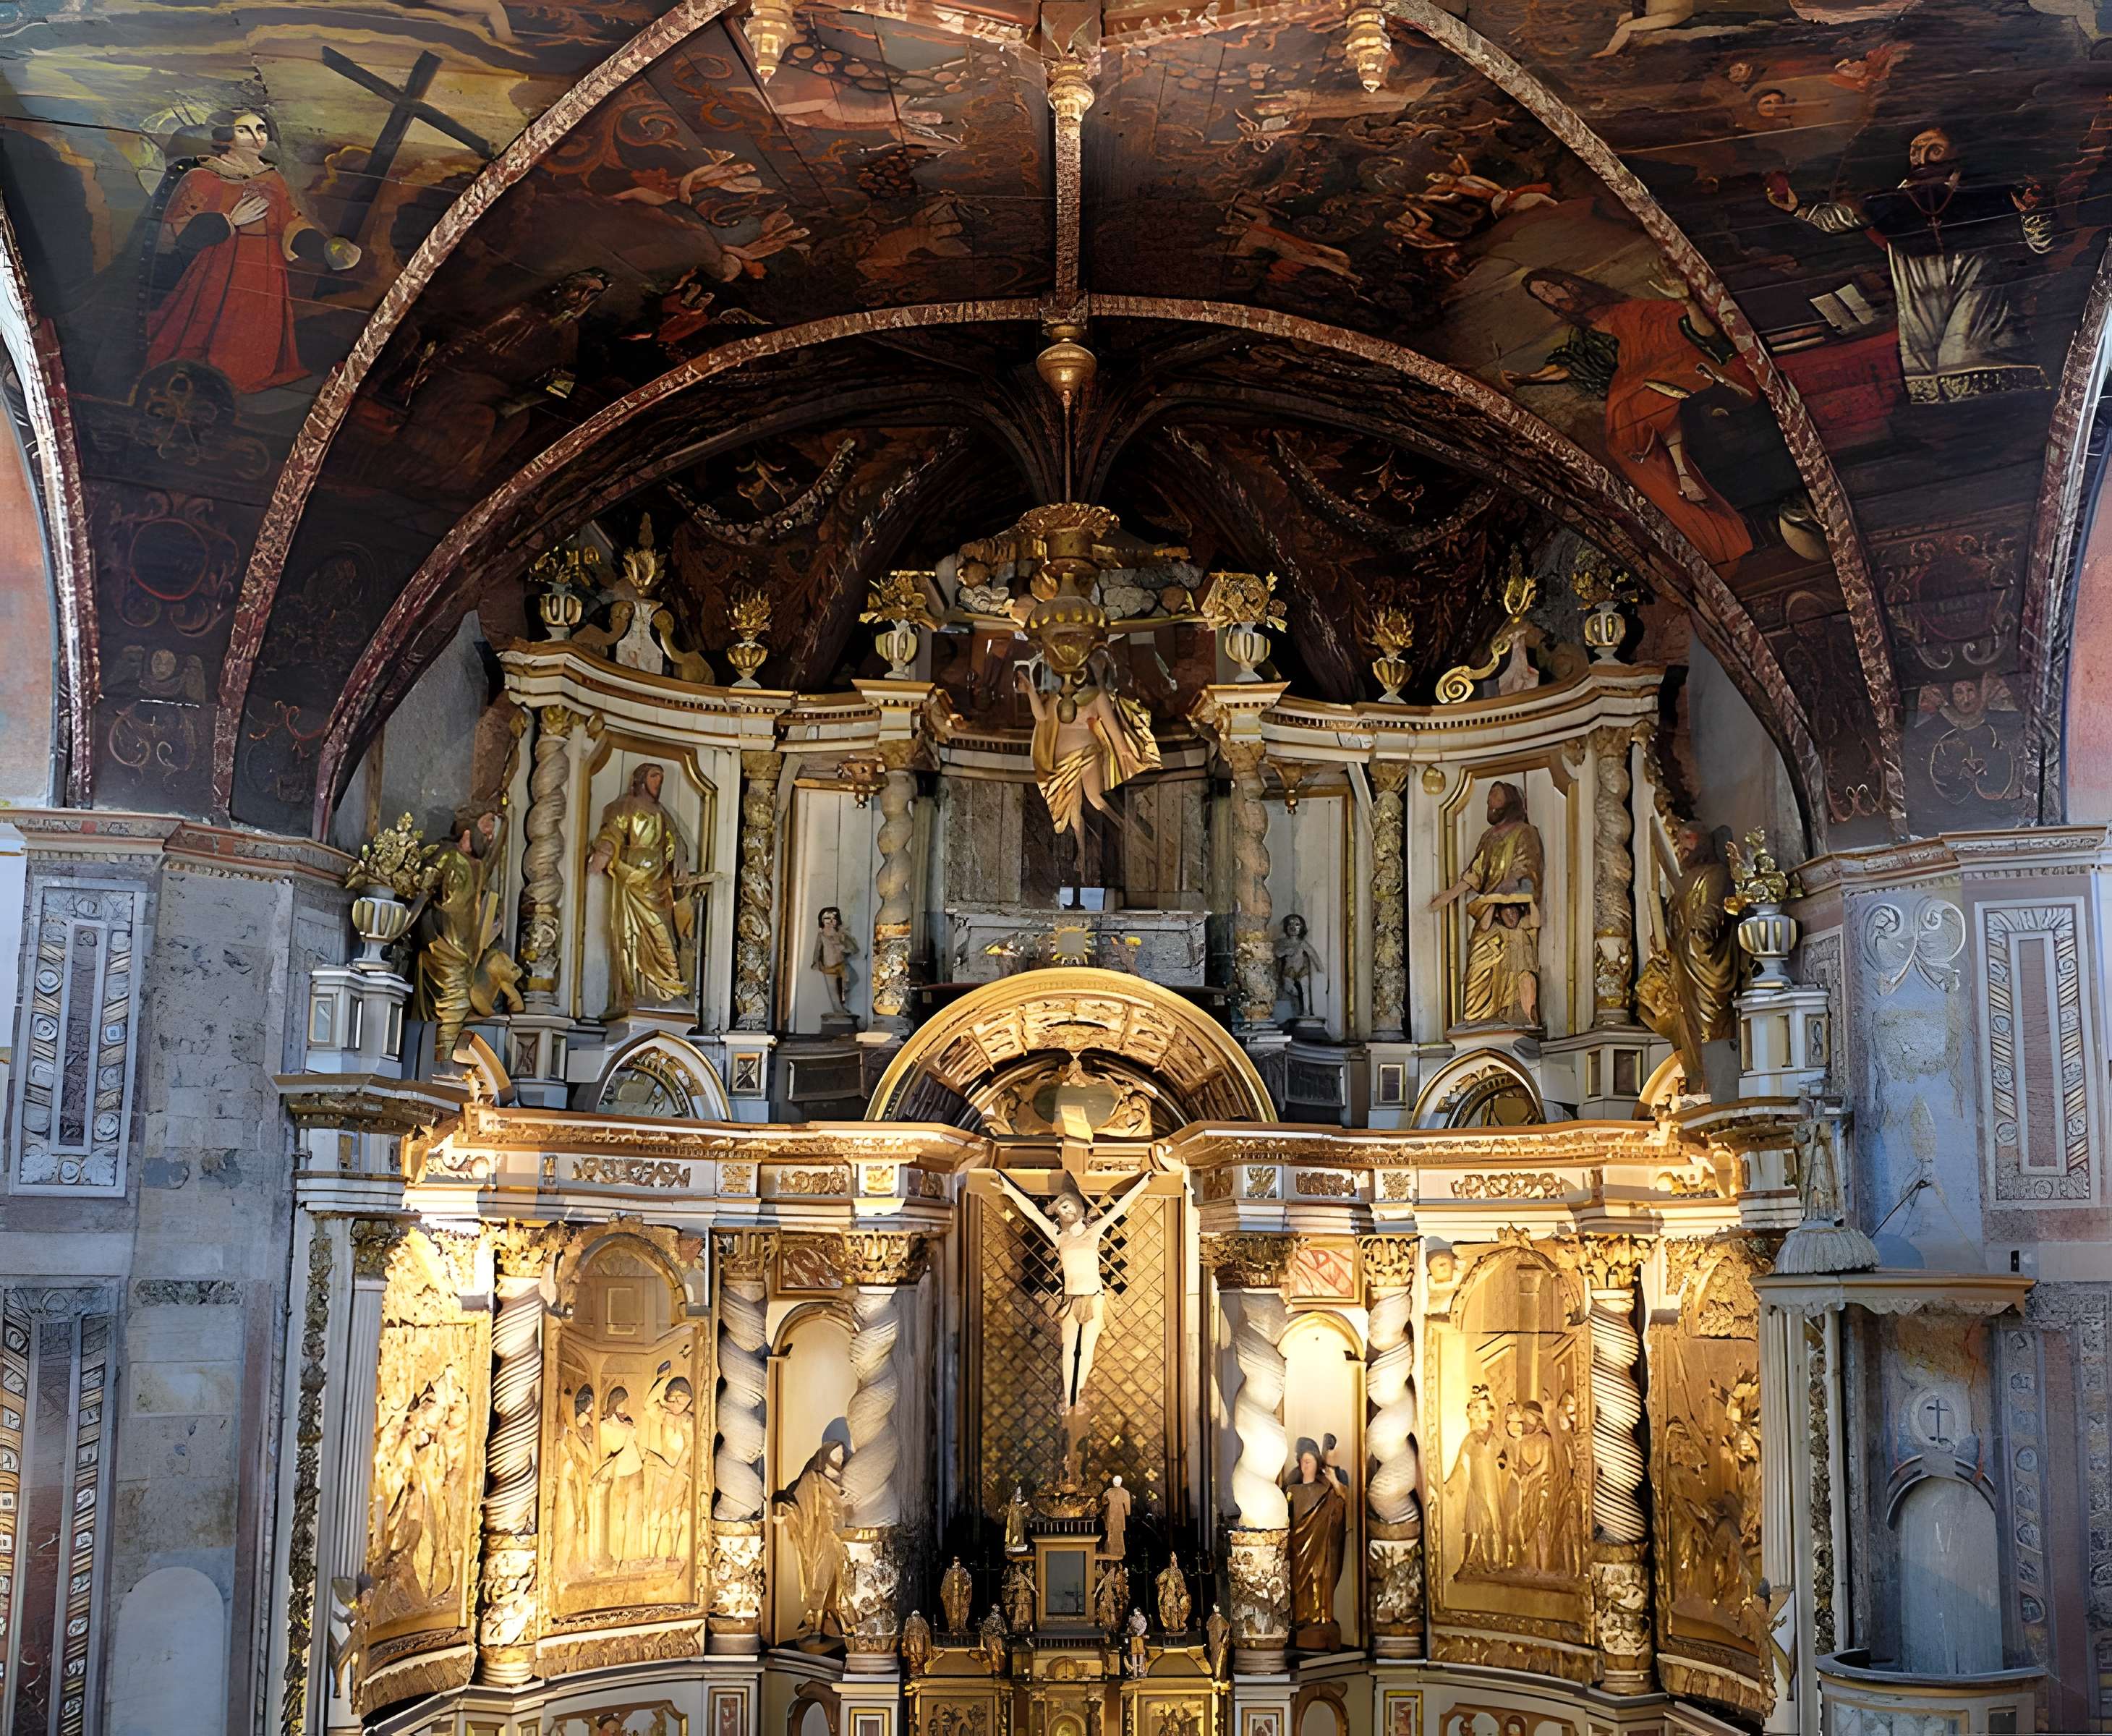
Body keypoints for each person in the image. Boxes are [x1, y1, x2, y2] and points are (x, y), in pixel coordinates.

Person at [1768, 128, 2053, 407]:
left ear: (1958, 152)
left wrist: (2033, 210)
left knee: (1992, 395)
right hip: (1922, 326)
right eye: (1916, 151)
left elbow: (2043, 244)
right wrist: (1796, 208)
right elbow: (1838, 219)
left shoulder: (1989, 192)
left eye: (1935, 149)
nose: (1923, 158)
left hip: (1982, 321)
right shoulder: (1890, 203)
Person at [1504, 270, 1762, 566]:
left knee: (1645, 397)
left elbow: (1688, 329)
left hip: (1670, 365)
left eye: (1550, 287)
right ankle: (1696, 514)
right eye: (1543, 296)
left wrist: (1688, 304)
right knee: (1623, 434)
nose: (1552, 296)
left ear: (1570, 284)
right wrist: (1529, 379)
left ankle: (1681, 469)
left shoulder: (1633, 309)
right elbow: (1571, 363)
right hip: (1636, 381)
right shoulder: (1584, 335)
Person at [144, 108, 359, 393]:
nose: (256, 137)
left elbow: (291, 223)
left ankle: (248, 379)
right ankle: (206, 380)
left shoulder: (273, 179)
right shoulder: (203, 177)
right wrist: (230, 221)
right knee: (210, 327)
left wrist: (325, 249)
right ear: (226, 136)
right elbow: (174, 233)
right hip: (220, 265)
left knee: (255, 327)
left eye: (261, 130)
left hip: (266, 266)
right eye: (245, 130)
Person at [992, 1167, 1152, 1411]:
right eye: (1061, 1208)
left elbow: (1119, 1209)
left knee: (1086, 1350)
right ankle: (1069, 1398)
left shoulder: (1093, 1232)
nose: (1065, 1211)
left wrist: (1144, 1183)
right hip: (1071, 1299)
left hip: (1094, 1299)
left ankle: (1077, 1397)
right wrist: (1006, 1186)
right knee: (1070, 1350)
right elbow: (1032, 1212)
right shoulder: (1060, 1237)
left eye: (1068, 1206)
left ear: (1079, 1208)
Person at [1429, 782, 1544, 1027]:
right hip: (1489, 914)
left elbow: (1528, 868)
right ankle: (1476, 1022)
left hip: (1512, 914)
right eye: (1489, 798)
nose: (1490, 802)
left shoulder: (1525, 832)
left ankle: (1513, 1019)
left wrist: (1510, 886)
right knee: (1476, 970)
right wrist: (1448, 896)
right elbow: (1475, 874)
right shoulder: (1488, 837)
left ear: (1510, 801)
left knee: (1515, 971)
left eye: (1496, 796)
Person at [588, 762, 695, 1017]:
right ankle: (637, 993)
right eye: (654, 776)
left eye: (661, 777)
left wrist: (679, 861)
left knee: (665, 938)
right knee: (634, 940)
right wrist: (603, 854)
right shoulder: (625, 805)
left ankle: (666, 991)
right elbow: (612, 834)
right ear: (641, 779)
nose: (658, 781)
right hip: (633, 883)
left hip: (659, 885)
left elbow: (675, 840)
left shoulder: (661, 812)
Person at [1017, 658, 1162, 844]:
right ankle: (1080, 853)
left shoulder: (1096, 695)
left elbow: (1111, 725)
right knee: (1071, 816)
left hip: (1087, 754)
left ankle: (1129, 828)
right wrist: (1030, 690)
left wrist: (1124, 749)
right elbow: (1042, 718)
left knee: (1095, 798)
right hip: (1060, 764)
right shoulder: (1056, 698)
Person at [1285, 1439, 1350, 1647]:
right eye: (1303, 1462)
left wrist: (1333, 1482)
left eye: (1310, 1461)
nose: (1306, 1466)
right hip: (1298, 1551)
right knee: (1300, 1588)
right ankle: (1301, 1621)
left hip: (1322, 1549)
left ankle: (1321, 1619)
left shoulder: (1326, 1490)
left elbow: (1341, 1506)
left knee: (1321, 1579)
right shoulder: (1292, 1491)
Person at [1274, 914, 1323, 1022]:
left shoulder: (1302, 943)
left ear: (1301, 928)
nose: (1293, 927)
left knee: (1305, 989)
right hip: (1289, 971)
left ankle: (1306, 1011)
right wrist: (1285, 951)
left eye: (1297, 925)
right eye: (1290, 924)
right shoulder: (1284, 943)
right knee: (1289, 986)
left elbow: (1313, 954)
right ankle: (1297, 999)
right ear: (1286, 927)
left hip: (1302, 971)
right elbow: (1277, 953)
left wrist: (1320, 967)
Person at [813, 906, 859, 1020]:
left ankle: (843, 1007)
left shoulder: (840, 933)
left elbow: (852, 947)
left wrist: (845, 949)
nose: (831, 921)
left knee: (848, 982)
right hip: (828, 967)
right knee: (833, 990)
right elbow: (817, 950)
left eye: (834, 918)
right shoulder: (822, 935)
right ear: (822, 920)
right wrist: (816, 962)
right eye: (827, 918)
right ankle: (838, 1010)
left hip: (841, 964)